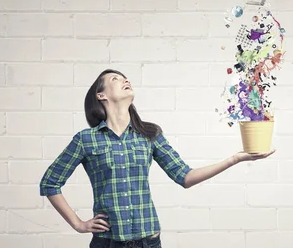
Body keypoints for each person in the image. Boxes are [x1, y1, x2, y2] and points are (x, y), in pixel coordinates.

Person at [39, 69, 275, 248]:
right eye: (115, 79)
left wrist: (235, 159)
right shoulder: (86, 139)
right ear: (100, 95)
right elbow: (50, 183)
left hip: (148, 241)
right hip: (107, 242)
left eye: (125, 78)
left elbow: (185, 176)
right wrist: (79, 224)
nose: (124, 80)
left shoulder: (149, 135)